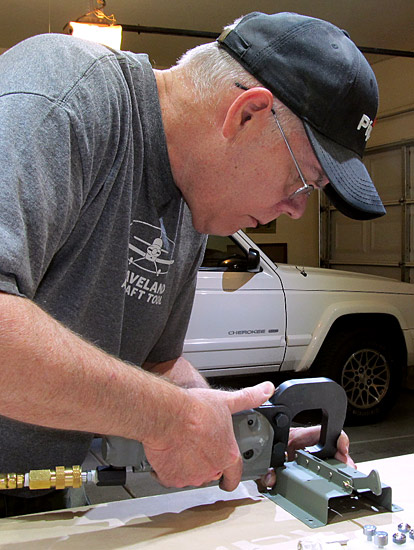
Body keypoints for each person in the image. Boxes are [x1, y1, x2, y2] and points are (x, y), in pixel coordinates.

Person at [0, 11, 383, 516]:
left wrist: (244, 438)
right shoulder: (64, 94)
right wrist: (169, 417)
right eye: (302, 181)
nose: (295, 208)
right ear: (247, 113)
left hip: (36, 500)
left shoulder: (192, 207)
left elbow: (156, 366)